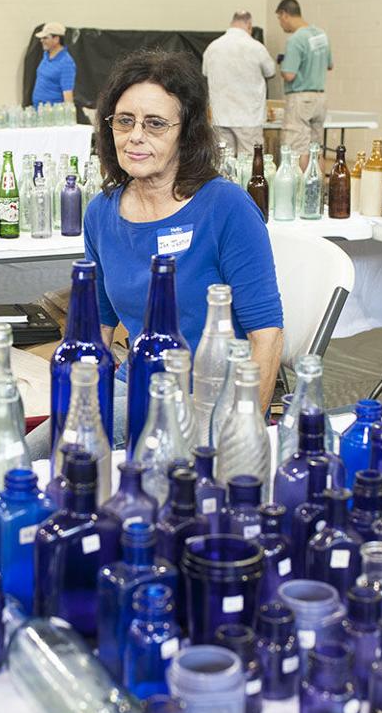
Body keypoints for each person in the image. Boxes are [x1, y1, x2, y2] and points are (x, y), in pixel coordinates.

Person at [84, 49, 284, 449]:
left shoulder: (225, 208)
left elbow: (268, 337)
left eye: (155, 124)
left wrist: (243, 438)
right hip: (138, 385)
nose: (136, 136)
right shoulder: (101, 213)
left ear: (186, 131)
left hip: (211, 398)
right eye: (125, 121)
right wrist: (81, 408)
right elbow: (98, 329)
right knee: (48, 445)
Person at [201, 10, 277, 156]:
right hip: (249, 118)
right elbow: (270, 72)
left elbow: (205, 72)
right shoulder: (256, 47)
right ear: (249, 25)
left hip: (221, 116)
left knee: (223, 164)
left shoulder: (212, 47)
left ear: (232, 23)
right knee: (250, 164)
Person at [275, 0, 332, 168]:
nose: (280, 24)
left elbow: (290, 74)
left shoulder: (295, 39)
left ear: (285, 15)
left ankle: (299, 193)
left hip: (300, 99)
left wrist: (282, 67)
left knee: (297, 149)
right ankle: (318, 190)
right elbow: (330, 65)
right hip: (320, 98)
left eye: (279, 19)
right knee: (316, 149)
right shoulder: (321, 35)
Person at [31, 22, 76, 107]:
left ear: (56, 39)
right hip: (39, 110)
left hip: (52, 115)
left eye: (45, 38)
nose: (41, 40)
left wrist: (69, 116)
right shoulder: (46, 55)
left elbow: (68, 94)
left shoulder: (66, 63)